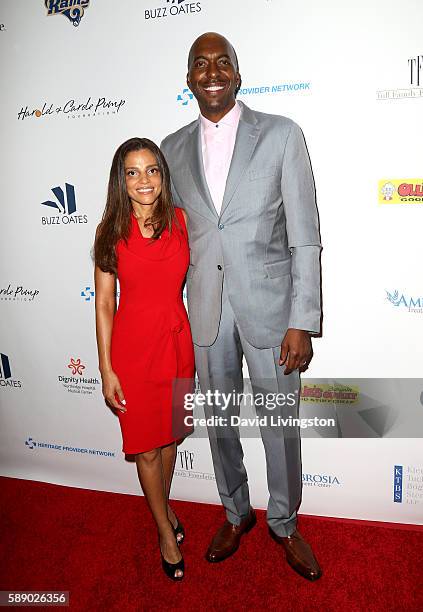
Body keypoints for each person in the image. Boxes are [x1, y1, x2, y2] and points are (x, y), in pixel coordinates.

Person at [161, 33, 322, 581]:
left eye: (221, 62)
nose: (211, 72)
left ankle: (284, 520)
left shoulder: (281, 135)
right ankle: (236, 511)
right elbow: (169, 237)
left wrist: (303, 317)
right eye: (200, 65)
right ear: (189, 79)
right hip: (206, 308)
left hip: (273, 310)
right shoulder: (171, 149)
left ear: (237, 73)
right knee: (220, 420)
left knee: (279, 422)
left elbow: (305, 235)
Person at [94, 138, 194, 581]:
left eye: (151, 169)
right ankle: (163, 532)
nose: (144, 180)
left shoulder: (181, 220)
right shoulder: (110, 231)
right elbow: (102, 303)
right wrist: (105, 368)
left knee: (170, 439)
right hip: (133, 353)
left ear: (163, 174)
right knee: (148, 451)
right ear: (122, 180)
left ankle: (164, 507)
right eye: (132, 172)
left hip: (177, 346)